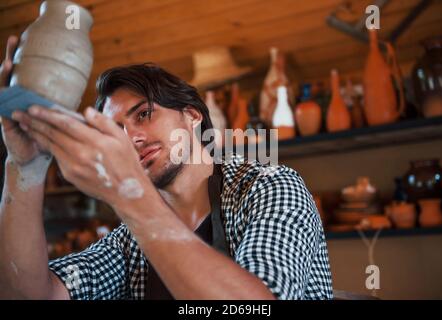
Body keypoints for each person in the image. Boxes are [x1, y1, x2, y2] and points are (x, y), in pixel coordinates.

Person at [0, 35, 333, 300]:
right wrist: (24, 165)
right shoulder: (129, 241)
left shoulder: (270, 187)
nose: (131, 139)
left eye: (144, 114)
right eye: (118, 130)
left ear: (192, 116)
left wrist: (130, 194)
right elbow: (33, 294)